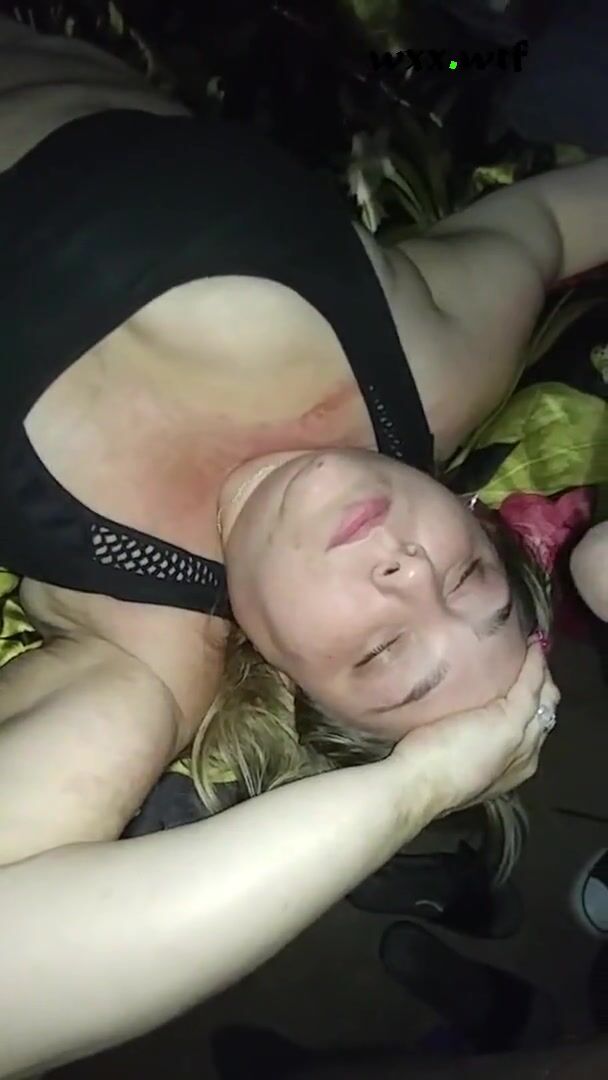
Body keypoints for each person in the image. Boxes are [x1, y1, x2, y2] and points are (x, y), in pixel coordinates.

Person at [0, 11, 601, 1075]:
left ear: (281, 679)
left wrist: (414, 790)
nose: (409, 573)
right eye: (467, 572)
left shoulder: (139, 653)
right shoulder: (427, 367)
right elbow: (551, 225)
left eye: (383, 649)